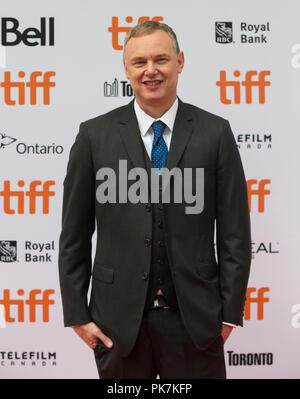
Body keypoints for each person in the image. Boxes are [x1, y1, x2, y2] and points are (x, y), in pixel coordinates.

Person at [58, 20, 251, 379]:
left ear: (179, 62)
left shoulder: (215, 132)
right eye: (139, 62)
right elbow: (74, 233)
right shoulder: (93, 136)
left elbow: (235, 234)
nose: (151, 71)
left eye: (161, 59)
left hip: (196, 322)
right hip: (117, 324)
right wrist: (77, 315)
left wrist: (228, 315)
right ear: (126, 69)